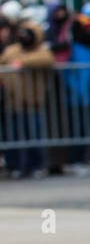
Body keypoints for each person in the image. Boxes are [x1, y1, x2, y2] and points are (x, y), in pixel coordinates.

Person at [1, 21, 54, 178]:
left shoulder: (41, 51)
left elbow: (47, 59)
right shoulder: (13, 50)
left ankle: (36, 166)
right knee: (13, 136)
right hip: (13, 101)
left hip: (33, 102)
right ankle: (15, 166)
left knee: (34, 136)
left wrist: (22, 62)